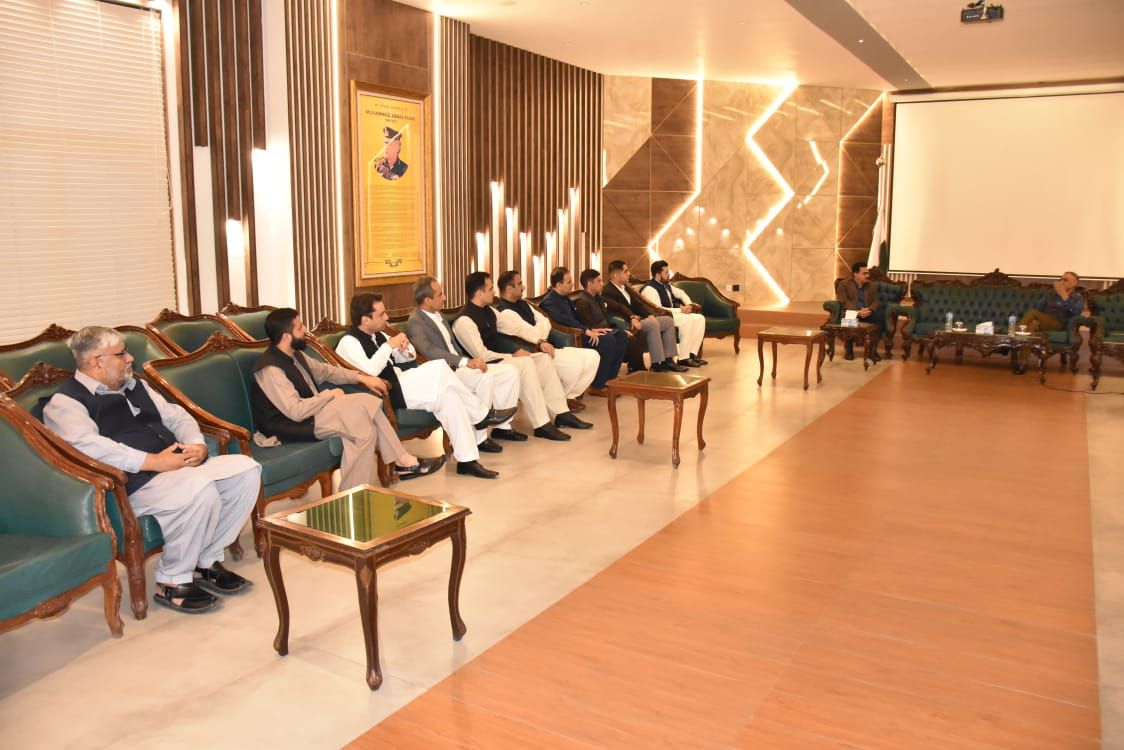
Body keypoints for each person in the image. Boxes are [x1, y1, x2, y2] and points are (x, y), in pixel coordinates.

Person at [45, 326, 261, 614]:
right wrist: (152, 462)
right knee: (200, 489)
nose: (130, 358)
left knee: (246, 470)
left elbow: (177, 417)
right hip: (130, 485)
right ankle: (172, 581)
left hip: (177, 467)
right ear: (97, 361)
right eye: (121, 354)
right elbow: (87, 447)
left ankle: (204, 561)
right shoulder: (65, 402)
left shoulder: (136, 385)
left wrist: (197, 444)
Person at [252, 308, 444, 492]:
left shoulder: (296, 355)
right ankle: (399, 464)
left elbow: (328, 371)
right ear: (287, 337)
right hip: (290, 427)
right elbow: (296, 411)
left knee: (364, 430)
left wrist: (362, 378)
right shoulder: (271, 369)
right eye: (300, 326)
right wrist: (329, 395)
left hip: (314, 414)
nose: (305, 330)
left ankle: (353, 493)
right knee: (364, 409)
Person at [335, 293, 513, 479]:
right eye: (381, 314)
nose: (386, 317)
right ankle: (480, 415)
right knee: (439, 367)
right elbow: (368, 371)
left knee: (450, 397)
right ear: (365, 319)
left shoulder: (378, 334)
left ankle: (467, 461)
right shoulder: (349, 343)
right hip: (385, 392)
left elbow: (408, 358)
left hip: (401, 383)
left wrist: (404, 348)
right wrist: (388, 346)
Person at [452, 272, 591, 439]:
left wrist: (539, 342)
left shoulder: (490, 311)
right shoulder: (464, 321)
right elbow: (481, 355)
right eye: (490, 289)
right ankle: (541, 424)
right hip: (482, 366)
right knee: (526, 363)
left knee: (543, 359)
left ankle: (561, 413)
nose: (494, 292)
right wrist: (512, 356)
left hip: (501, 360)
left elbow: (516, 328)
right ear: (480, 292)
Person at [406, 276, 524, 447]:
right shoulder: (415, 322)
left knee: (510, 372)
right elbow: (429, 350)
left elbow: (452, 345)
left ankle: (503, 427)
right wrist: (464, 362)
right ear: (427, 300)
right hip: (447, 371)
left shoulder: (438, 314)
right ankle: (480, 437)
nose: (445, 297)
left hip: (461, 366)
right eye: (440, 295)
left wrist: (468, 361)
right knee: (484, 378)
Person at [494, 269, 601, 403]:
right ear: (509, 288)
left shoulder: (524, 303)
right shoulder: (504, 312)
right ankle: (558, 400)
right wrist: (539, 332)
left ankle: (567, 396)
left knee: (593, 356)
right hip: (535, 353)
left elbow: (545, 321)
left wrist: (539, 332)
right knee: (576, 364)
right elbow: (531, 333)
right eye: (520, 283)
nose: (524, 287)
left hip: (546, 346)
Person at [539, 266, 629, 396]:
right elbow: (564, 321)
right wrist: (586, 330)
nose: (572, 284)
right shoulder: (549, 301)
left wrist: (592, 329)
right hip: (571, 336)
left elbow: (577, 318)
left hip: (581, 330)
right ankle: (597, 385)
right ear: (558, 285)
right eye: (569, 282)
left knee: (621, 336)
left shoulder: (565, 297)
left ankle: (609, 380)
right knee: (608, 340)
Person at [601, 259, 687, 372]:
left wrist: (649, 314)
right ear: (616, 275)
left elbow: (638, 305)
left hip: (639, 319)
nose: (629, 274)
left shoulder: (626, 287)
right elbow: (618, 308)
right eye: (625, 271)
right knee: (652, 323)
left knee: (667, 321)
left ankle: (669, 361)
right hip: (627, 322)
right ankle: (657, 363)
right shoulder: (608, 291)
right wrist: (632, 317)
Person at [573, 268, 649, 374]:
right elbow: (591, 326)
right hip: (597, 334)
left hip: (608, 330)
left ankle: (636, 369)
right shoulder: (582, 302)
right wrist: (616, 331)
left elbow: (619, 307)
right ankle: (637, 371)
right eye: (599, 281)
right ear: (590, 284)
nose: (602, 284)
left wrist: (632, 317)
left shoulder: (599, 298)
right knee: (630, 339)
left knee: (639, 334)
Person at [640, 260, 708, 367]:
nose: (669, 274)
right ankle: (683, 358)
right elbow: (658, 309)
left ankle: (692, 354)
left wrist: (689, 304)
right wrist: (681, 310)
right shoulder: (649, 289)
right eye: (666, 272)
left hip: (673, 313)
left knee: (700, 318)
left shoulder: (666, 285)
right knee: (687, 320)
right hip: (662, 317)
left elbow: (681, 293)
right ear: (658, 275)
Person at [836, 262, 884, 361]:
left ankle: (872, 350)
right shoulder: (844, 284)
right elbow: (843, 300)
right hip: (852, 311)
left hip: (868, 312)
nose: (868, 275)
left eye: (868, 273)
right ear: (855, 274)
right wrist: (857, 312)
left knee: (880, 317)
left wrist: (870, 309)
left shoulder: (872, 285)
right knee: (848, 317)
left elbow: (877, 300)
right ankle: (849, 349)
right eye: (864, 273)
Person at [1019, 271, 1084, 333]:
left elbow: (1076, 312)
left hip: (1059, 324)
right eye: (1061, 279)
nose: (1062, 282)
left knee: (1033, 313)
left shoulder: (1077, 298)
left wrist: (1064, 296)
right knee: (1033, 325)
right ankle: (1020, 338)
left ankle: (1015, 332)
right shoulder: (1051, 293)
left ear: (1074, 283)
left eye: (1065, 280)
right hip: (1044, 320)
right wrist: (1036, 319)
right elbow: (1038, 307)